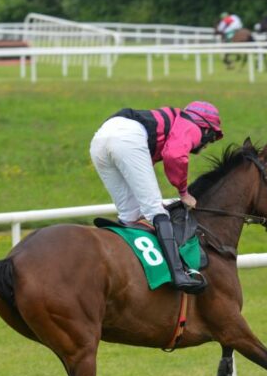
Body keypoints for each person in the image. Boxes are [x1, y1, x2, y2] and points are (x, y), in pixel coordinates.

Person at [89, 101, 224, 294]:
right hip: (126, 136)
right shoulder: (191, 125)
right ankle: (179, 274)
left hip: (100, 139)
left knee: (130, 214)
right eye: (210, 137)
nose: (205, 144)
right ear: (205, 128)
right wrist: (183, 192)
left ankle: (129, 269)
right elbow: (175, 156)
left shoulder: (173, 124)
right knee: (155, 210)